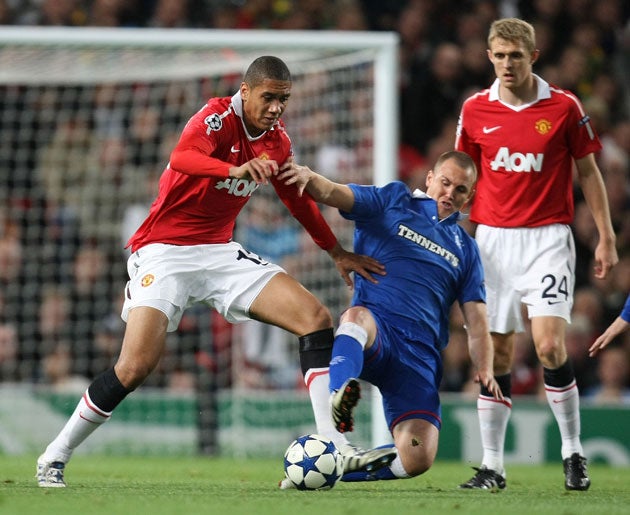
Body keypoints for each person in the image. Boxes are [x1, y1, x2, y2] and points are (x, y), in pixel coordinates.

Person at [35, 56, 395, 488]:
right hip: (164, 251)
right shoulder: (215, 117)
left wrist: (335, 250)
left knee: (315, 318)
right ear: (246, 91)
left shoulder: (278, 143)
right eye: (269, 97)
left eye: (284, 99)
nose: (277, 107)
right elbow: (183, 156)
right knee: (134, 367)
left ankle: (332, 443)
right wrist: (234, 169)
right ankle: (55, 454)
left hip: (219, 253)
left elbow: (297, 200)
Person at [454, 18, 619, 491]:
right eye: (500, 55)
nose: (507, 64)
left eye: (516, 56)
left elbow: (588, 172)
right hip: (491, 243)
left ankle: (573, 451)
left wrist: (606, 235)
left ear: (533, 57)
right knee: (496, 354)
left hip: (547, 238)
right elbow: (464, 173)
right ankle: (492, 467)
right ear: (489, 56)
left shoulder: (563, 106)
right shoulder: (475, 108)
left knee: (548, 345)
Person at [278, 150, 503, 485]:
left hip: (418, 359)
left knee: (417, 457)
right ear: (430, 179)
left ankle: (335, 470)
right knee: (355, 317)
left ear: (469, 195)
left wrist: (484, 366)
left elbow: (477, 321)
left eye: (459, 190)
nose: (449, 194)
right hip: (377, 333)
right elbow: (334, 192)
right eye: (445, 183)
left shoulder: (466, 249)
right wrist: (309, 178)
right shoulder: (393, 201)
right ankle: (341, 393)